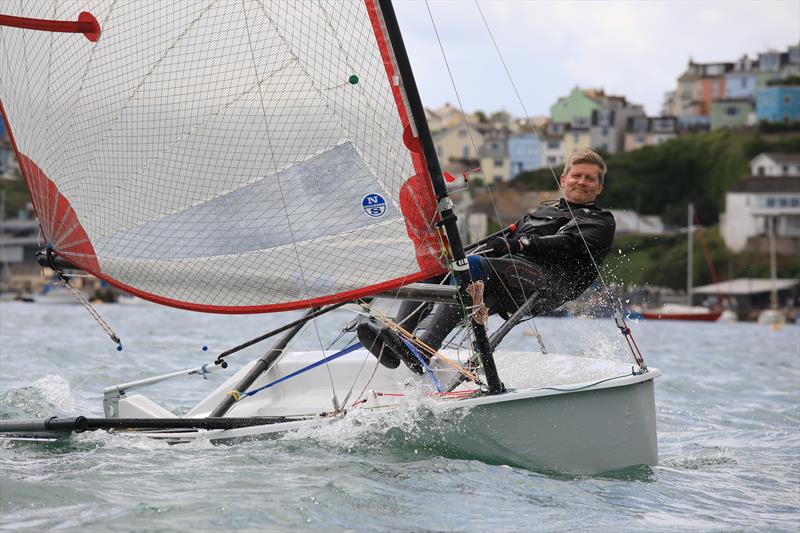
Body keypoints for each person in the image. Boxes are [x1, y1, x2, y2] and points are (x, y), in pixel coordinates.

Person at [357, 149, 616, 373]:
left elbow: (569, 243)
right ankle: (397, 339)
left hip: (547, 285)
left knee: (469, 268)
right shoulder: (543, 212)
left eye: (589, 178)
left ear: (599, 187)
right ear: (564, 179)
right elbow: (506, 240)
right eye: (577, 175)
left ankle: (422, 350)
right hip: (509, 275)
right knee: (441, 264)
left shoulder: (600, 220)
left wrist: (520, 243)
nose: (581, 181)